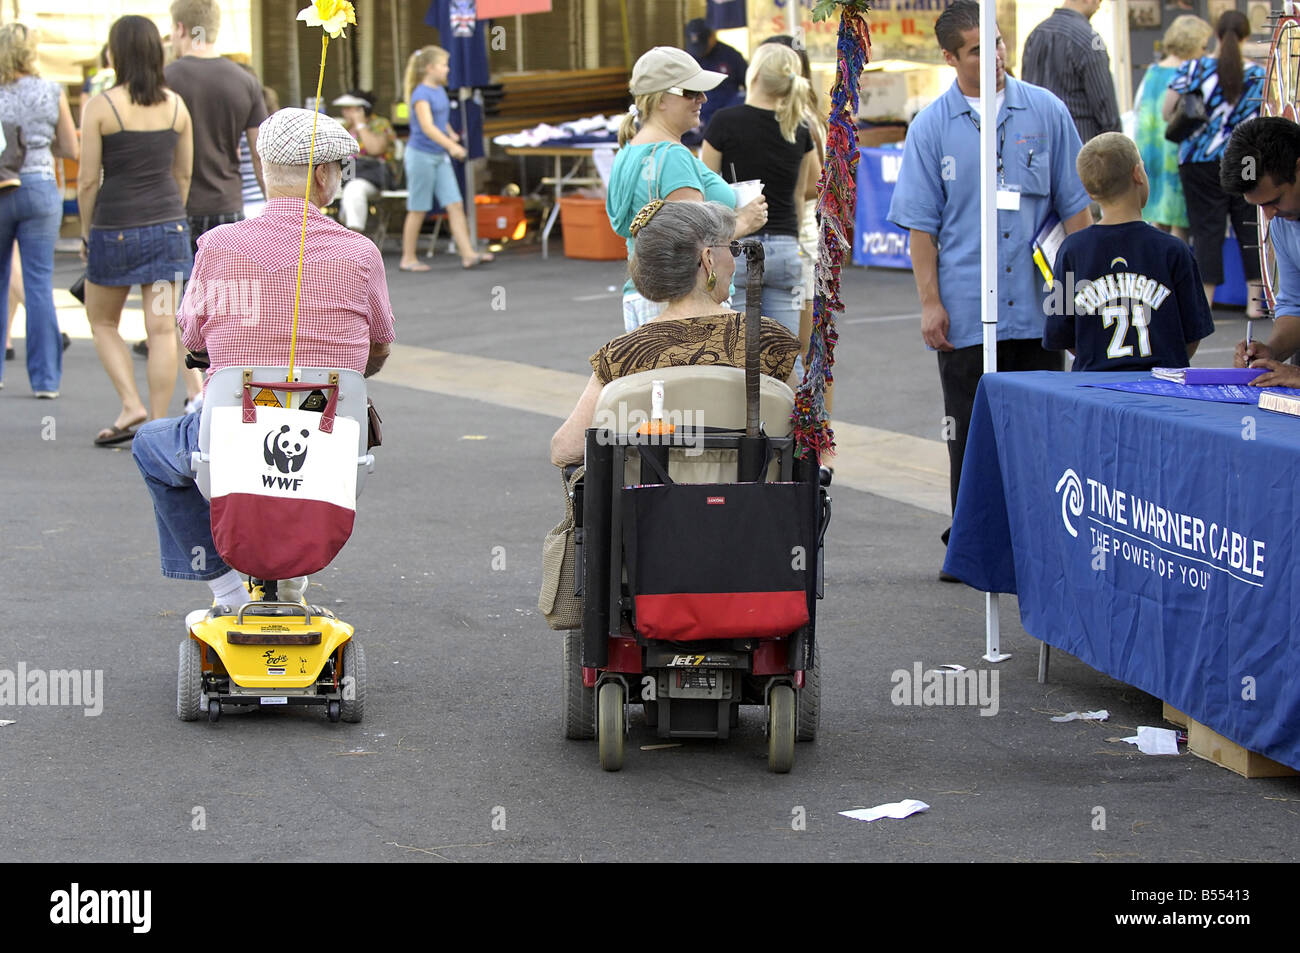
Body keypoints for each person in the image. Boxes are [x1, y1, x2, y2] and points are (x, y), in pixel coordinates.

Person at [132, 108, 396, 609]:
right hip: (328, 437)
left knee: (151, 443)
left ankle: (227, 591)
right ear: (322, 175)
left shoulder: (218, 246)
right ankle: (287, 582)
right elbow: (378, 347)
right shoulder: (361, 253)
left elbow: (191, 335)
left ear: (263, 168)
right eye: (340, 168)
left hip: (235, 432)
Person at [886, 0, 1092, 573]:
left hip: (1038, 307)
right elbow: (922, 229)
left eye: (998, 43)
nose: (995, 55)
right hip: (966, 310)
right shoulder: (931, 127)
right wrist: (930, 304)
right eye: (979, 48)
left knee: (1041, 434)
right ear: (950, 57)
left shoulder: (1046, 111)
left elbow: (1076, 212)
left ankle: (1044, 546)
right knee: (971, 438)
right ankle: (973, 550)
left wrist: (1082, 298)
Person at [551, 200, 799, 467]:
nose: (734, 261)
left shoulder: (623, 356)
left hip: (653, 507)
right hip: (755, 503)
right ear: (708, 259)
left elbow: (565, 450)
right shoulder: (769, 341)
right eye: (732, 248)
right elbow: (808, 436)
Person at [79, 15, 194, 445]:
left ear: (117, 53)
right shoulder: (177, 106)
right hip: (168, 225)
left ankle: (131, 403)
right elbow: (184, 174)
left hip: (115, 228)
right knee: (163, 330)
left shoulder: (101, 107)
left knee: (103, 320)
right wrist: (171, 217)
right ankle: (158, 424)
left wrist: (89, 232)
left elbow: (88, 180)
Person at [607, 46, 767, 333]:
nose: (702, 99)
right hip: (683, 304)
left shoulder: (630, 152)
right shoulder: (673, 156)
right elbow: (690, 242)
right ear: (661, 100)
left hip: (646, 296)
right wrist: (744, 221)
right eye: (690, 92)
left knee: (654, 380)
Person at [158, 0, 268, 408]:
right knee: (228, 303)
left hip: (176, 205)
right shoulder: (242, 79)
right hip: (228, 204)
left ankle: (194, 394)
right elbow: (261, 153)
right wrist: (273, 206)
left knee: (180, 304)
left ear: (183, 28)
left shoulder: (165, 78)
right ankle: (227, 386)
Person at [1043, 133, 1214, 370]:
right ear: (1137, 174)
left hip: (1094, 392)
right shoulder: (1173, 249)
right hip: (1159, 390)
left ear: (1088, 190)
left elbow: (1062, 334)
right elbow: (1193, 332)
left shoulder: (1071, 250)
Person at [702, 42, 817, 376]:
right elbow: (809, 188)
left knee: (735, 354)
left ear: (752, 76)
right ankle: (793, 426)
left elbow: (705, 188)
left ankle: (744, 427)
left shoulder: (724, 122)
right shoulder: (799, 128)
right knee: (785, 356)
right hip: (785, 248)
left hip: (735, 246)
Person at [1164, 10, 1265, 313]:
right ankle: (1255, 303)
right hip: (1244, 157)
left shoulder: (1195, 68)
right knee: (1249, 226)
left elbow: (1167, 111)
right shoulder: (1258, 73)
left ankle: (1205, 301)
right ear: (1246, 36)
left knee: (1206, 229)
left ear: (1216, 35)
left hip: (1198, 160)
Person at [0, 22, 78, 398]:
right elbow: (70, 147)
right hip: (41, 189)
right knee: (38, 283)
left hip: (2, 188)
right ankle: (45, 381)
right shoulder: (51, 91)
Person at [1223, 116, 1300, 387]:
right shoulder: (1283, 222)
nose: (1268, 215)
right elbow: (1294, 305)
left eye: (1275, 200)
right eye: (1260, 206)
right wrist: (1272, 353)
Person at [400, 46, 491, 271]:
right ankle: (408, 258)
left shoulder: (439, 90)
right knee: (419, 207)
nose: (447, 69)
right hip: (421, 155)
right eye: (443, 65)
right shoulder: (420, 94)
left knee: (455, 204)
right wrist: (452, 146)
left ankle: (468, 253)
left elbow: (440, 120)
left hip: (439, 155)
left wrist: (450, 132)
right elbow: (428, 127)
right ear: (430, 68)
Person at [1133, 15, 1212, 241]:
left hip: (1151, 151)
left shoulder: (1153, 71)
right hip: (1176, 153)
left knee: (1158, 217)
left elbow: (1138, 110)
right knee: (1180, 222)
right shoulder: (1189, 73)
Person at [1020, 0, 1121, 144]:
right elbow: (1106, 110)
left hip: (1038, 145)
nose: (1100, 5)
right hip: (1079, 145)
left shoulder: (1035, 35)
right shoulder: (1089, 40)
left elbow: (1025, 95)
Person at [334, 89, 397, 233]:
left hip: (372, 176)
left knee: (354, 189)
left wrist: (360, 125)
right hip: (347, 173)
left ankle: (354, 232)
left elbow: (375, 149)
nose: (344, 112)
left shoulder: (379, 124)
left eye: (349, 109)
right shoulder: (344, 127)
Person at [684, 18, 746, 138]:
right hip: (697, 120)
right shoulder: (687, 59)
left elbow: (749, 86)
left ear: (712, 36)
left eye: (703, 44)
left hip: (726, 118)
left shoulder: (732, 56)